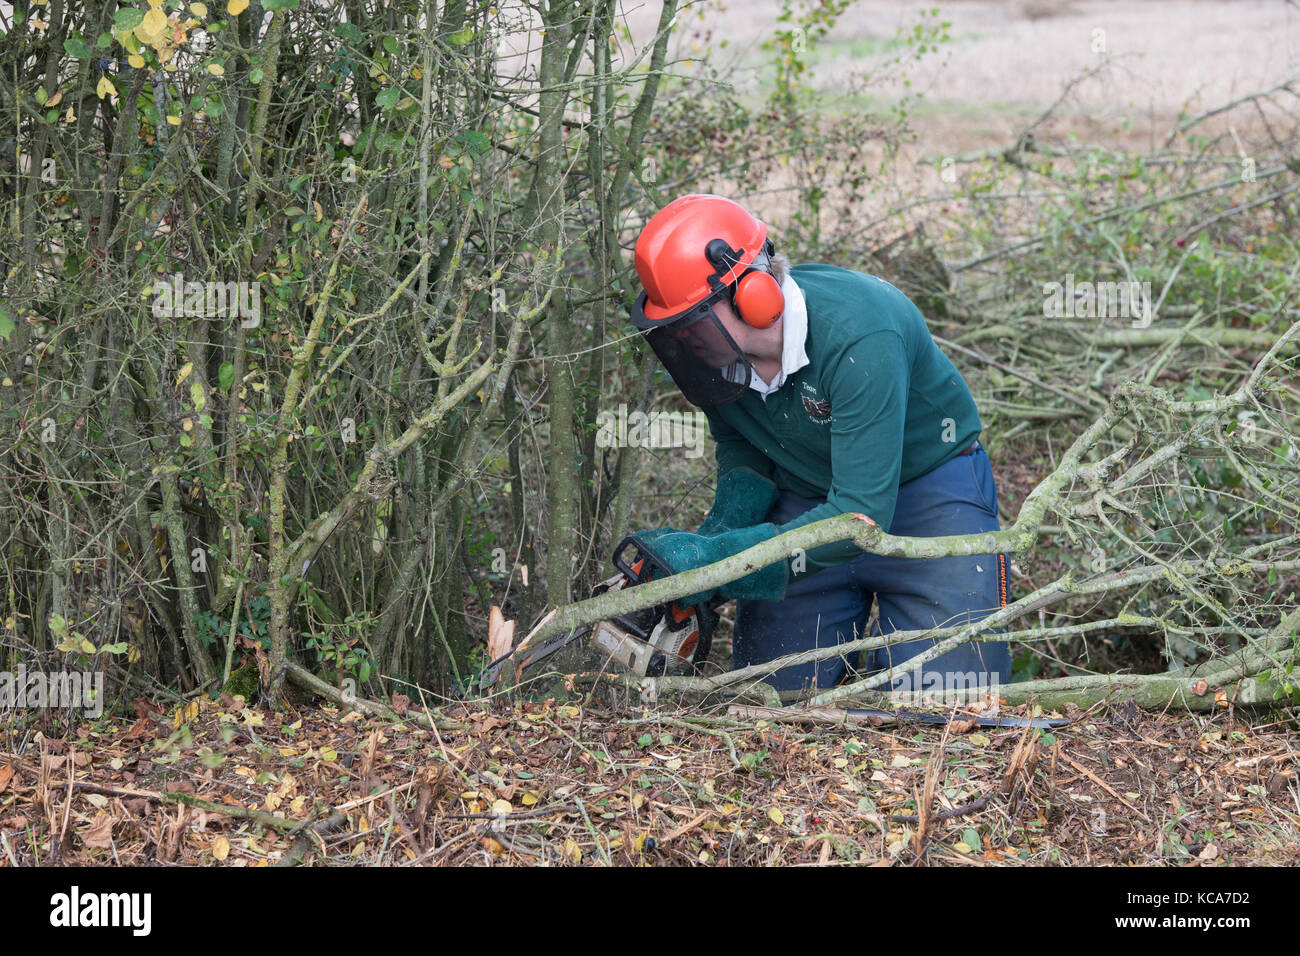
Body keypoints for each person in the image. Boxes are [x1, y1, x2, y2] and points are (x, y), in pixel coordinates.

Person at [627, 194, 1011, 698]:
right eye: (673, 328)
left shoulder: (860, 334)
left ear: (753, 293)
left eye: (693, 322)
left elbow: (859, 515)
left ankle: (897, 667)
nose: (686, 342)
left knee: (951, 699)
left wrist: (724, 558)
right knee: (769, 698)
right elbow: (743, 453)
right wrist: (710, 551)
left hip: (926, 489)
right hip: (807, 500)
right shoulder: (720, 365)